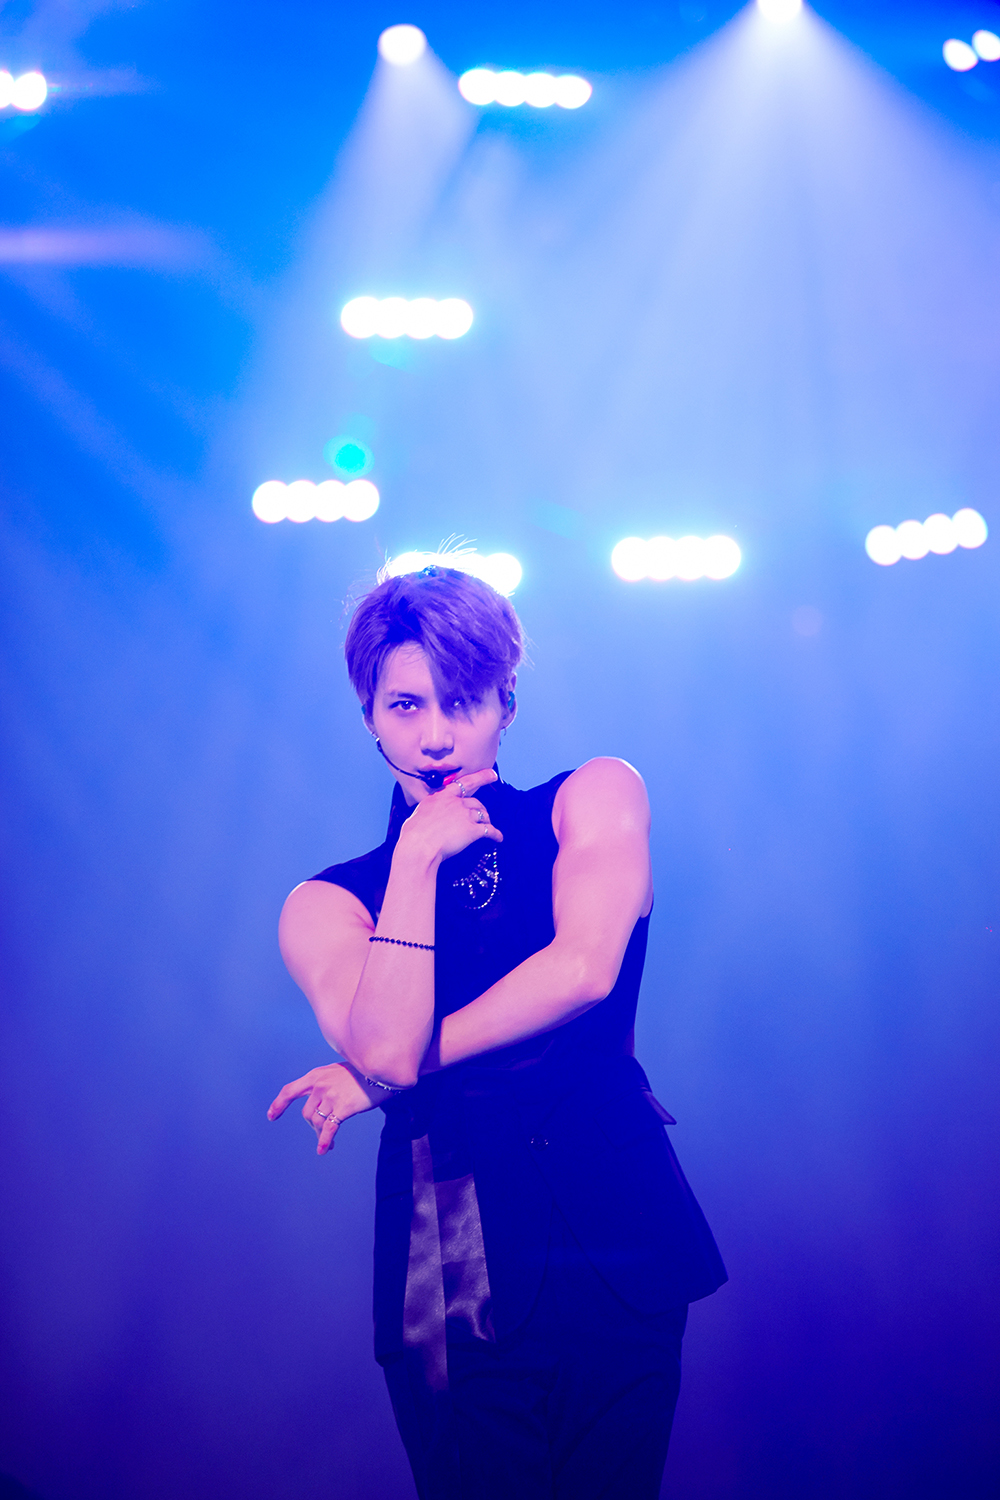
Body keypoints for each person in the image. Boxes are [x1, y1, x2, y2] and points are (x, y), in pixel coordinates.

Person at [268, 563, 726, 1500]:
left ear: (506, 704)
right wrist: (414, 861)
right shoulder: (326, 901)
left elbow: (583, 970)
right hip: (449, 1264)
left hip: (620, 1234)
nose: (436, 736)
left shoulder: (592, 795)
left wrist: (384, 1077)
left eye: (464, 702)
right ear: (368, 717)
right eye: (405, 706)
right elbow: (384, 1046)